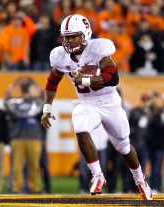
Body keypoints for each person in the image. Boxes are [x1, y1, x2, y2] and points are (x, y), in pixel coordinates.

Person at [40, 14, 153, 200]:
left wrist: (84, 79)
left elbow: (113, 77)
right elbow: (52, 81)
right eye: (65, 37)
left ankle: (140, 180)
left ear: (85, 35)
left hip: (110, 103)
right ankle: (98, 175)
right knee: (80, 127)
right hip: (86, 103)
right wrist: (47, 108)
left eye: (73, 36)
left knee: (123, 146)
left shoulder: (98, 48)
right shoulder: (59, 55)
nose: (67, 41)